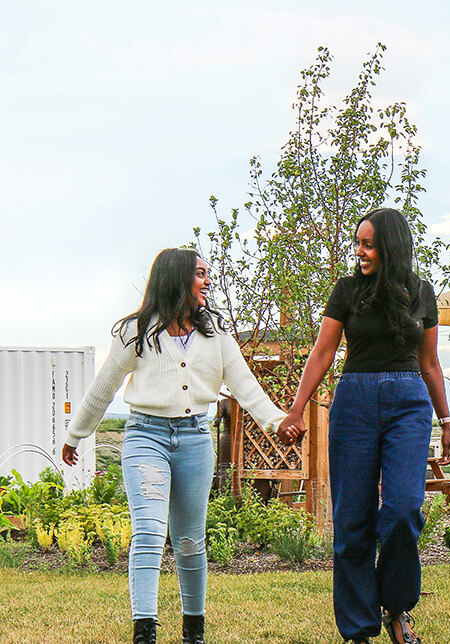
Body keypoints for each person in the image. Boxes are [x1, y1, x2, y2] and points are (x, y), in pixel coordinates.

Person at [61, 248, 287, 644]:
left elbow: (245, 385)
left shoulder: (216, 333)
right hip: (146, 437)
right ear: (177, 279)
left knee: (188, 540)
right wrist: (75, 434)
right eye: (200, 274)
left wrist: (279, 420)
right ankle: (144, 631)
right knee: (148, 532)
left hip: (196, 440)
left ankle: (193, 632)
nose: (208, 281)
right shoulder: (136, 332)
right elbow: (103, 388)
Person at [278, 208, 450, 644]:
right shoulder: (347, 290)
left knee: (402, 508)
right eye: (358, 243)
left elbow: (430, 363)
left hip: (408, 403)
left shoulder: (420, 293)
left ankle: (396, 608)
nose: (359, 251)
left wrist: (447, 421)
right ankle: (358, 629)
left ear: (390, 247)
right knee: (353, 519)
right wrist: (297, 408)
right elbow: (323, 352)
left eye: (368, 244)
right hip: (354, 401)